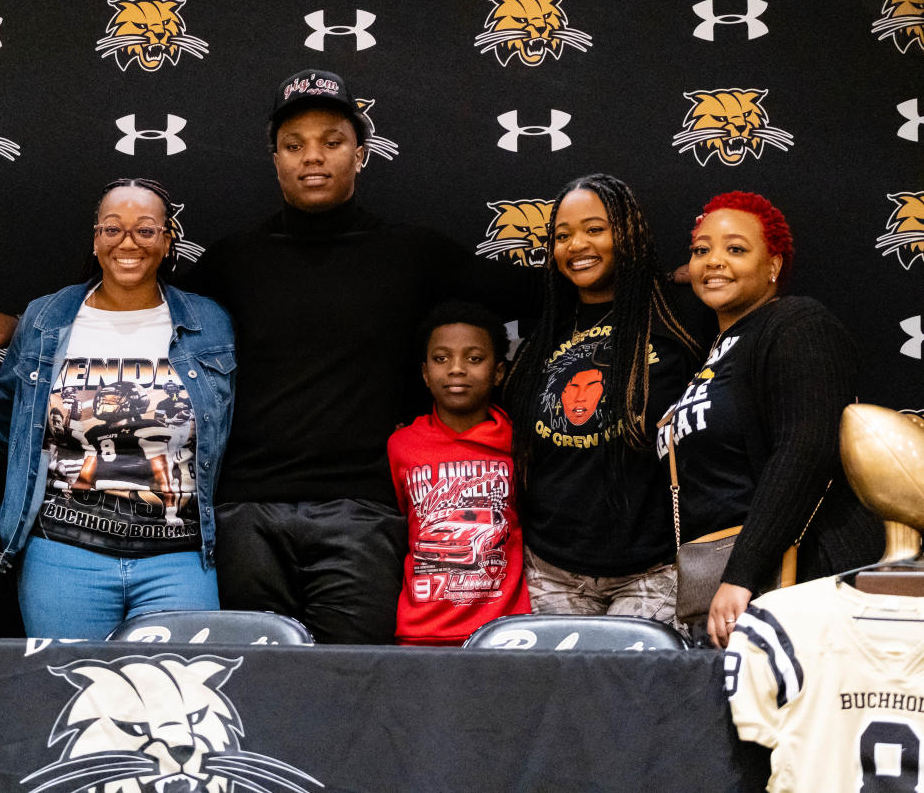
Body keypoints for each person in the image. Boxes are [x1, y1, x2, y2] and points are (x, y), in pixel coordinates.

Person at [175, 68, 539, 644]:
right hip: (247, 511)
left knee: (355, 684)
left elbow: (539, 294)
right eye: (294, 146)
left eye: (332, 141)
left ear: (362, 154)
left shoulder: (413, 253)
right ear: (275, 159)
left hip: (362, 512)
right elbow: (137, 310)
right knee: (256, 689)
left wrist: (662, 287)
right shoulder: (233, 260)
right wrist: (23, 323)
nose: (312, 158)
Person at [0, 178, 235, 640]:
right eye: (113, 229)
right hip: (64, 553)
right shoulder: (47, 318)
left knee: (177, 695)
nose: (127, 242)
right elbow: (3, 425)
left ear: (168, 242)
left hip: (177, 556)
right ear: (96, 239)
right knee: (70, 696)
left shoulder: (209, 322)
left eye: (145, 230)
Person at [657, 191, 883, 647]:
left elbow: (806, 450)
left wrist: (742, 574)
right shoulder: (718, 352)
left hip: (802, 580)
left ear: (774, 266)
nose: (714, 261)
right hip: (736, 587)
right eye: (702, 251)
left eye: (735, 249)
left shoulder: (796, 324)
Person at [503, 173, 705, 622]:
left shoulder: (680, 316)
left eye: (595, 229)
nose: (576, 245)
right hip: (550, 570)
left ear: (627, 234)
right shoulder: (548, 327)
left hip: (651, 572)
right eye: (562, 235)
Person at [390, 302, 531, 646]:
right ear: (424, 374)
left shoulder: (519, 443)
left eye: (474, 358)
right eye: (441, 359)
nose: (456, 370)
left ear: (498, 372)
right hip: (421, 631)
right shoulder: (402, 444)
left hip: (504, 632)